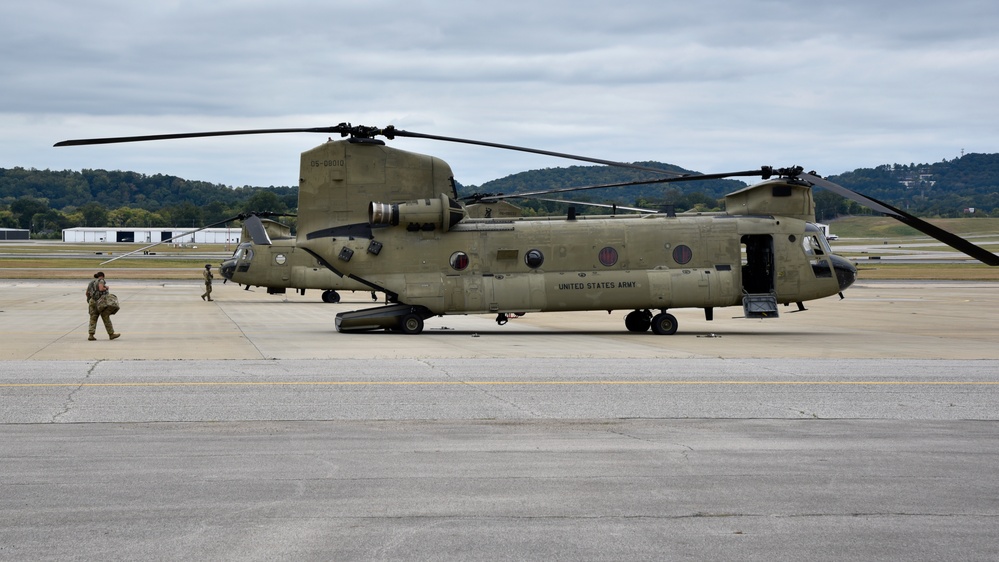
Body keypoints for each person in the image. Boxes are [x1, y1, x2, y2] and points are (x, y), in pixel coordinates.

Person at [86, 271, 120, 341]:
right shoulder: (101, 280)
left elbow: (87, 293)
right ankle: (111, 334)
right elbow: (101, 288)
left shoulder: (91, 283)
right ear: (102, 276)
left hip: (92, 301)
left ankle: (91, 335)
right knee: (106, 317)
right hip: (101, 302)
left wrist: (89, 300)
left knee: (93, 318)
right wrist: (106, 288)